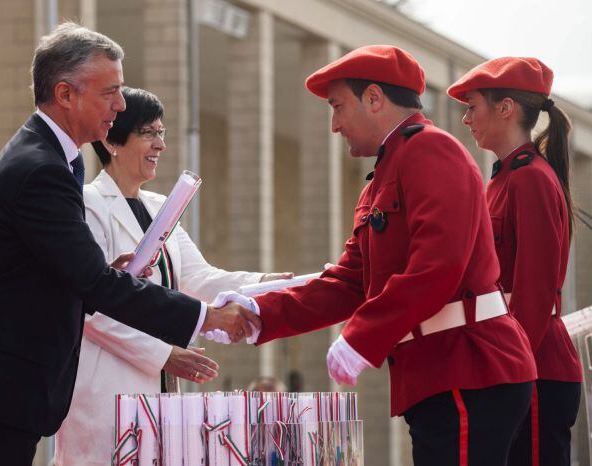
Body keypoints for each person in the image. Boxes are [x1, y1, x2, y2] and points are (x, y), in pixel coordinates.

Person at [0, 23, 259, 466]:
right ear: (65, 94)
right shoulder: (41, 168)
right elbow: (93, 283)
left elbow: (64, 273)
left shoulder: (53, 158)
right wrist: (206, 316)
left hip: (7, 384)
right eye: (110, 92)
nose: (120, 106)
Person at [211, 45, 538, 465]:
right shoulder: (386, 173)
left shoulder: (430, 150)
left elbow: (439, 266)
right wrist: (261, 310)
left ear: (374, 98)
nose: (334, 125)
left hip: (468, 366)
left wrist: (361, 336)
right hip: (442, 371)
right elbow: (350, 281)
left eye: (338, 107)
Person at [53, 87, 292, 466]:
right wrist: (163, 355)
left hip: (160, 394)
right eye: (149, 133)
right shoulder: (86, 205)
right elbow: (89, 306)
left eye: (161, 133)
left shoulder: (160, 206)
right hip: (105, 391)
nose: (160, 145)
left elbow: (201, 278)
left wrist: (267, 284)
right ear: (113, 140)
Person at [448, 57, 582, 466]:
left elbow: (535, 291)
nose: (466, 118)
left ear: (505, 108)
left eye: (473, 106)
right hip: (512, 365)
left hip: (532, 368)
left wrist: (506, 370)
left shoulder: (531, 178)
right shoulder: (502, 179)